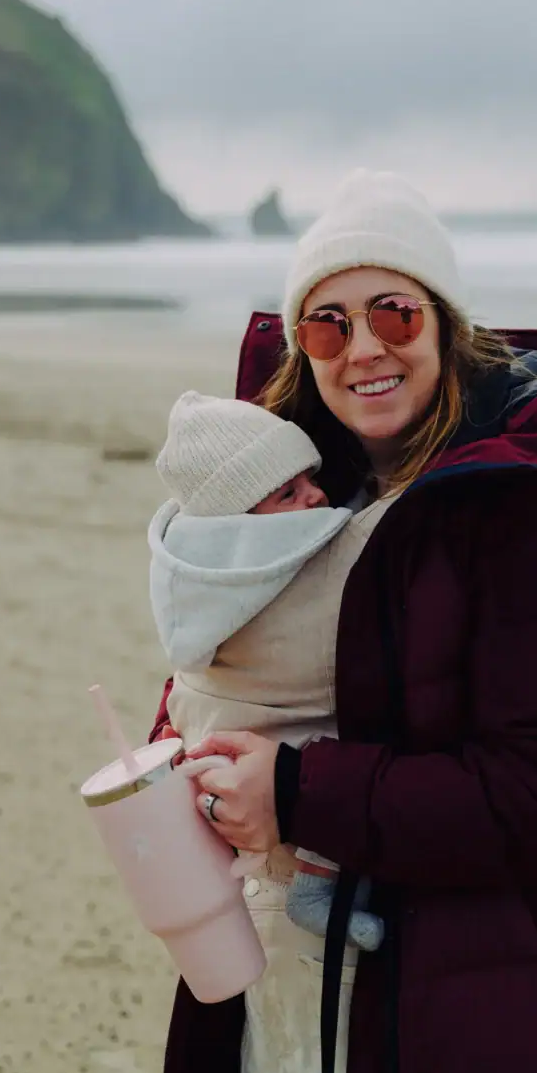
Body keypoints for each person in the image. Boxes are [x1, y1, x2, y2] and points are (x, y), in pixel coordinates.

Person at [151, 169, 537, 1073]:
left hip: (497, 982)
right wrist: (191, 763)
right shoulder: (290, 487)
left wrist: (295, 792)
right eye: (327, 324)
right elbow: (234, 663)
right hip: (289, 975)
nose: (363, 348)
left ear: (446, 325)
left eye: (394, 314)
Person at [149, 389, 386, 953]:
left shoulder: (193, 574)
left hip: (209, 737)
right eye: (288, 494)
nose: (316, 496)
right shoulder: (283, 558)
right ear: (240, 525)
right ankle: (317, 891)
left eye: (310, 479)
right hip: (262, 752)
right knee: (329, 745)